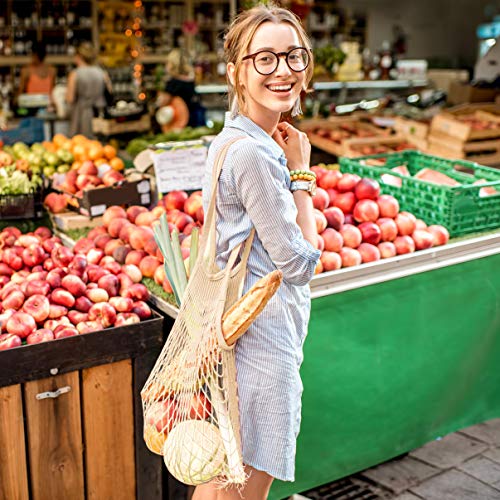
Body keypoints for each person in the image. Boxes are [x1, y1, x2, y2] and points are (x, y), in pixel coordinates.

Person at [196, 3, 320, 500]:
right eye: (263, 59)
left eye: (293, 56)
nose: (283, 70)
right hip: (261, 343)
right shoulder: (255, 154)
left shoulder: (233, 140)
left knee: (225, 473)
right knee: (243, 484)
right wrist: (302, 176)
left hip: (237, 331)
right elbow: (300, 263)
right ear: (236, 71)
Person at [66, 42, 112, 137]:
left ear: (79, 56)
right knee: (99, 144)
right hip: (99, 114)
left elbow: (70, 98)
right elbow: (110, 92)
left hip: (81, 115)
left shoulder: (75, 74)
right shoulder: (102, 73)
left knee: (82, 144)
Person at [156, 48, 203, 129]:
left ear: (172, 64)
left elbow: (163, 101)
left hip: (178, 123)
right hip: (192, 120)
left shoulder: (172, 83)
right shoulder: (190, 81)